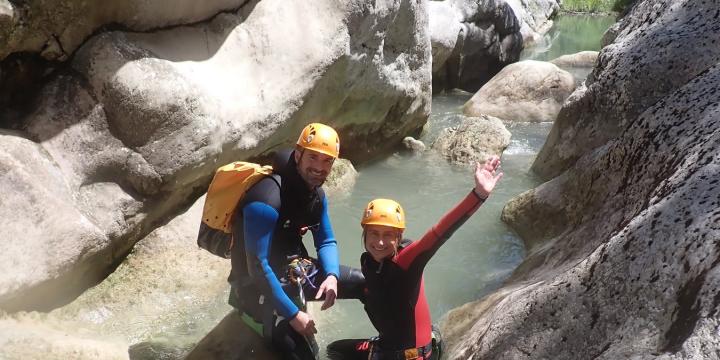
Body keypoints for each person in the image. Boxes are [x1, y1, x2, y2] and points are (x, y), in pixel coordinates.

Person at [327, 156, 503, 360]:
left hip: (412, 357)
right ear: (365, 233)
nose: (380, 242)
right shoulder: (371, 263)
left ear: (398, 237)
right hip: (388, 347)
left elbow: (439, 232)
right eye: (374, 233)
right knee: (335, 349)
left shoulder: (406, 261)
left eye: (388, 235)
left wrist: (478, 195)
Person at [229, 123, 364, 360]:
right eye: (313, 157)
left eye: (327, 161)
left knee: (366, 283)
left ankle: (397, 347)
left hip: (294, 272)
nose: (319, 167)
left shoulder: (315, 195)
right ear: (298, 154)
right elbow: (258, 267)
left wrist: (332, 276)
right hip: (256, 289)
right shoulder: (266, 199)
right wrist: (293, 314)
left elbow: (326, 240)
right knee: (304, 355)